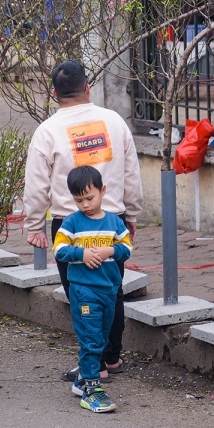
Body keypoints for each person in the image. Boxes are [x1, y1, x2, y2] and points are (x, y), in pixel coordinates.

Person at [24, 61, 143, 382]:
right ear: (88, 88)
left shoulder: (47, 131)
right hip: (112, 219)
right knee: (111, 290)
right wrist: (130, 215)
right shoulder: (114, 122)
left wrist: (33, 226)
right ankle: (111, 356)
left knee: (82, 295)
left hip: (70, 225)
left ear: (54, 94)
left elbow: (36, 185)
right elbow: (132, 174)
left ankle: (96, 364)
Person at [53, 166, 133, 413]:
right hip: (84, 290)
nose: (85, 205)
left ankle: (81, 379)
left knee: (102, 336)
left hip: (108, 290)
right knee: (91, 339)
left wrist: (110, 250)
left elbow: (126, 248)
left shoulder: (114, 222)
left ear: (103, 191)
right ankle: (92, 388)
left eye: (90, 198)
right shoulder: (72, 222)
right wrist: (82, 253)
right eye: (79, 200)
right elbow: (59, 250)